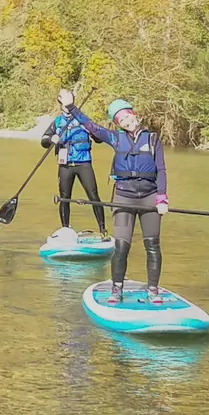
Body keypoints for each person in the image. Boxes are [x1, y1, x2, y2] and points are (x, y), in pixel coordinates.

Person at [60, 90, 169, 304]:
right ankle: (116, 289)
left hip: (149, 197)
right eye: (122, 120)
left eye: (128, 116)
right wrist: (71, 107)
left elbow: (162, 170)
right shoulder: (115, 138)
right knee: (121, 246)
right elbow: (90, 125)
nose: (128, 121)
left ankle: (153, 290)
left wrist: (162, 198)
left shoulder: (154, 139)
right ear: (118, 124)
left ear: (134, 114)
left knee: (153, 245)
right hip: (123, 198)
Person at [40, 92, 107, 236]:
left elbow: (99, 138)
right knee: (64, 197)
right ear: (60, 104)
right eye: (63, 103)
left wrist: (91, 130)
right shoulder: (57, 122)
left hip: (84, 164)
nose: (66, 106)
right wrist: (52, 139)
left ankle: (103, 230)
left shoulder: (83, 120)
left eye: (68, 102)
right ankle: (65, 229)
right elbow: (44, 141)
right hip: (65, 166)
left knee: (93, 196)